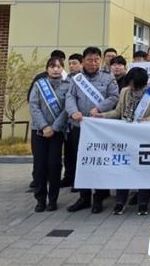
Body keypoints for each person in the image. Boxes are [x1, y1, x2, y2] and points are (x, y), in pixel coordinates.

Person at [96, 67, 150, 216]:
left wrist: (149, 119)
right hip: (125, 136)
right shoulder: (124, 92)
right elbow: (118, 112)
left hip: (144, 136)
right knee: (123, 168)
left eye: (135, 85)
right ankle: (120, 201)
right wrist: (102, 116)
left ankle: (143, 202)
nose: (132, 87)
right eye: (130, 84)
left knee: (143, 169)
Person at [65, 46, 119, 214]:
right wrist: (73, 112)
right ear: (83, 61)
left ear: (100, 61)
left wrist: (99, 108)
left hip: (99, 128)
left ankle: (99, 197)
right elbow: (69, 97)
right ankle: (84, 197)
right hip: (79, 126)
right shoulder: (76, 79)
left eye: (96, 60)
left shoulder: (108, 77)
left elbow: (114, 97)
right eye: (89, 60)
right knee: (80, 162)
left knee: (99, 161)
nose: (93, 63)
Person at [28, 56, 70, 212]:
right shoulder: (39, 84)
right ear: (47, 68)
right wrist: (44, 126)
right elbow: (34, 106)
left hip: (57, 132)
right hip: (39, 131)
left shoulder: (68, 85)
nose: (55, 69)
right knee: (39, 165)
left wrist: (54, 127)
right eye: (52, 66)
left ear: (62, 68)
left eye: (59, 66)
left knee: (54, 165)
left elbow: (67, 109)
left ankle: (53, 199)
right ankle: (40, 199)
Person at [61, 52, 83, 189]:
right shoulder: (66, 80)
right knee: (68, 152)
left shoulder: (84, 80)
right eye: (69, 63)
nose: (71, 66)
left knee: (77, 152)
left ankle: (78, 180)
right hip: (66, 121)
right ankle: (68, 177)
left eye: (74, 63)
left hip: (80, 121)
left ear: (82, 64)